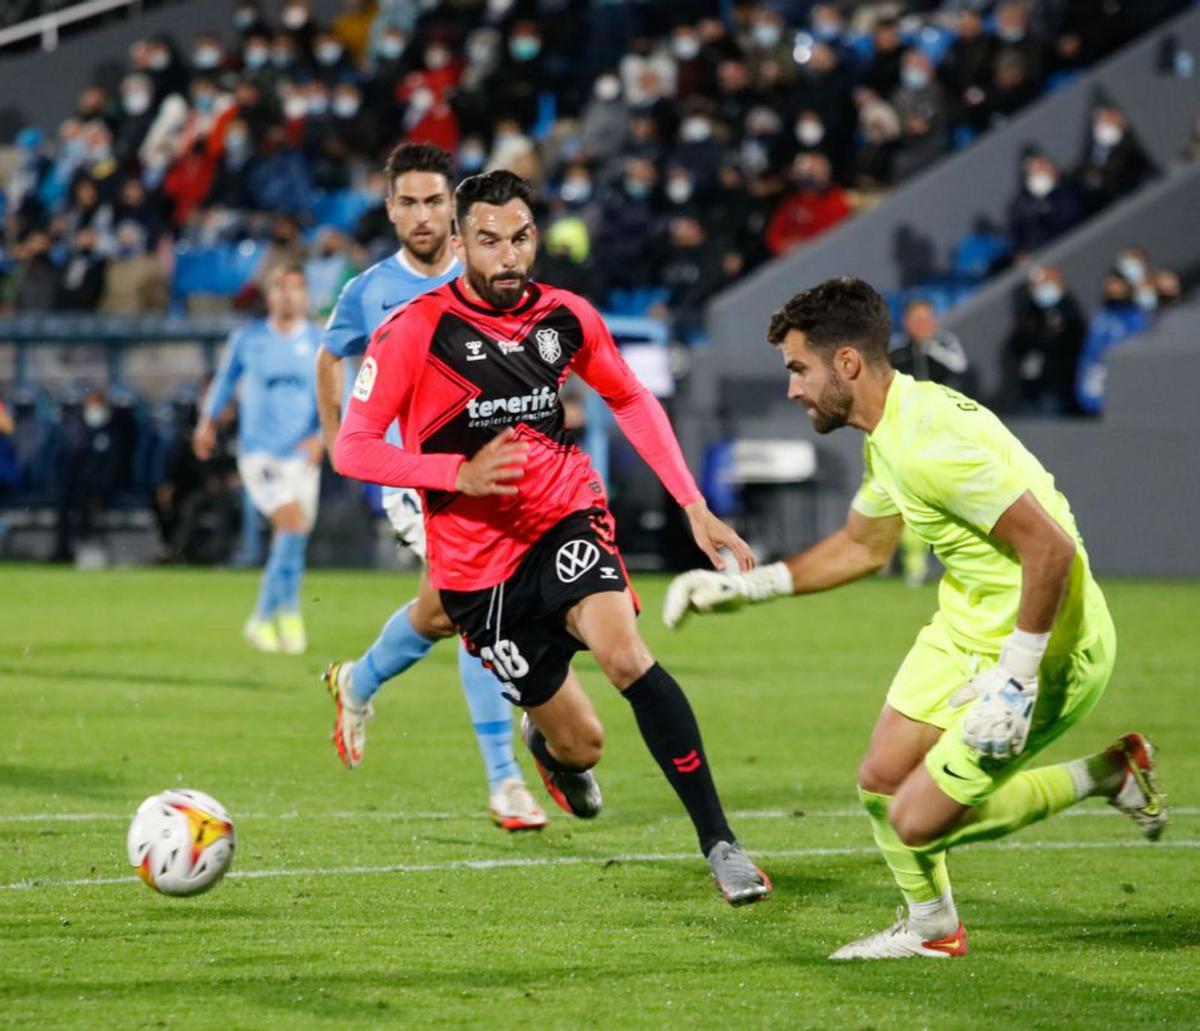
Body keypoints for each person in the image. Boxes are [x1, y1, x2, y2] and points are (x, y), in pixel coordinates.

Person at [664, 276, 1166, 951]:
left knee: (915, 818)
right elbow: (863, 545)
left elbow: (1053, 550)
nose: (792, 388)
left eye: (798, 369)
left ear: (846, 362)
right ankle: (931, 924)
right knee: (879, 778)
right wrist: (745, 587)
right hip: (968, 624)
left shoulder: (929, 443)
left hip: (1048, 643)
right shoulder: (891, 429)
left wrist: (1016, 680)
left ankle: (1105, 774)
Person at [334, 170, 772, 905]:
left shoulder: (565, 316)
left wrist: (693, 503)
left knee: (627, 653)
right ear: (459, 242)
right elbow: (353, 447)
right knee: (583, 743)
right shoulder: (416, 331)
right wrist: (454, 474)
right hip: (477, 569)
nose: (509, 256)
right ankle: (551, 751)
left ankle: (720, 843)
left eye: (521, 238)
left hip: (562, 516)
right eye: (489, 240)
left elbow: (629, 396)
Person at [314, 144, 546, 834]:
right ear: (389, 209)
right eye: (408, 202)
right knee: (480, 609)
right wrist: (338, 438)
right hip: (417, 478)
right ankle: (507, 778)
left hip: (499, 469)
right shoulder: (368, 292)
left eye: (434, 201)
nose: (422, 215)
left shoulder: (490, 274)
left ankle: (356, 681)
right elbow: (332, 358)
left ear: (456, 206)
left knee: (444, 612)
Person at [194, 265, 322, 655]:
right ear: (270, 296)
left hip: (303, 454)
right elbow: (225, 381)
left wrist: (323, 439)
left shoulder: (320, 341)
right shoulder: (248, 339)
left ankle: (276, 617)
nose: (288, 296)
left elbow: (342, 394)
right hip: (260, 454)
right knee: (293, 524)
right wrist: (207, 421)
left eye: (296, 289)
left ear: (306, 296)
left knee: (293, 538)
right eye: (281, 289)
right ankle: (277, 615)